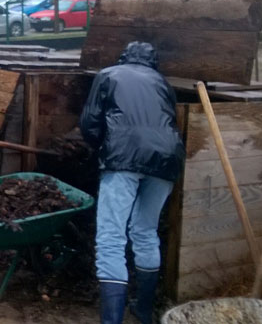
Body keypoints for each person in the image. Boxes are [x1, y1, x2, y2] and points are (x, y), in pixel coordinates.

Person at [79, 41, 185, 324]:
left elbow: (89, 122)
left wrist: (102, 147)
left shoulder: (109, 74)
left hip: (123, 157)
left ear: (124, 57)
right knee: (145, 231)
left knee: (111, 238)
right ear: (153, 62)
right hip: (167, 159)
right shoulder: (163, 83)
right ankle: (144, 310)